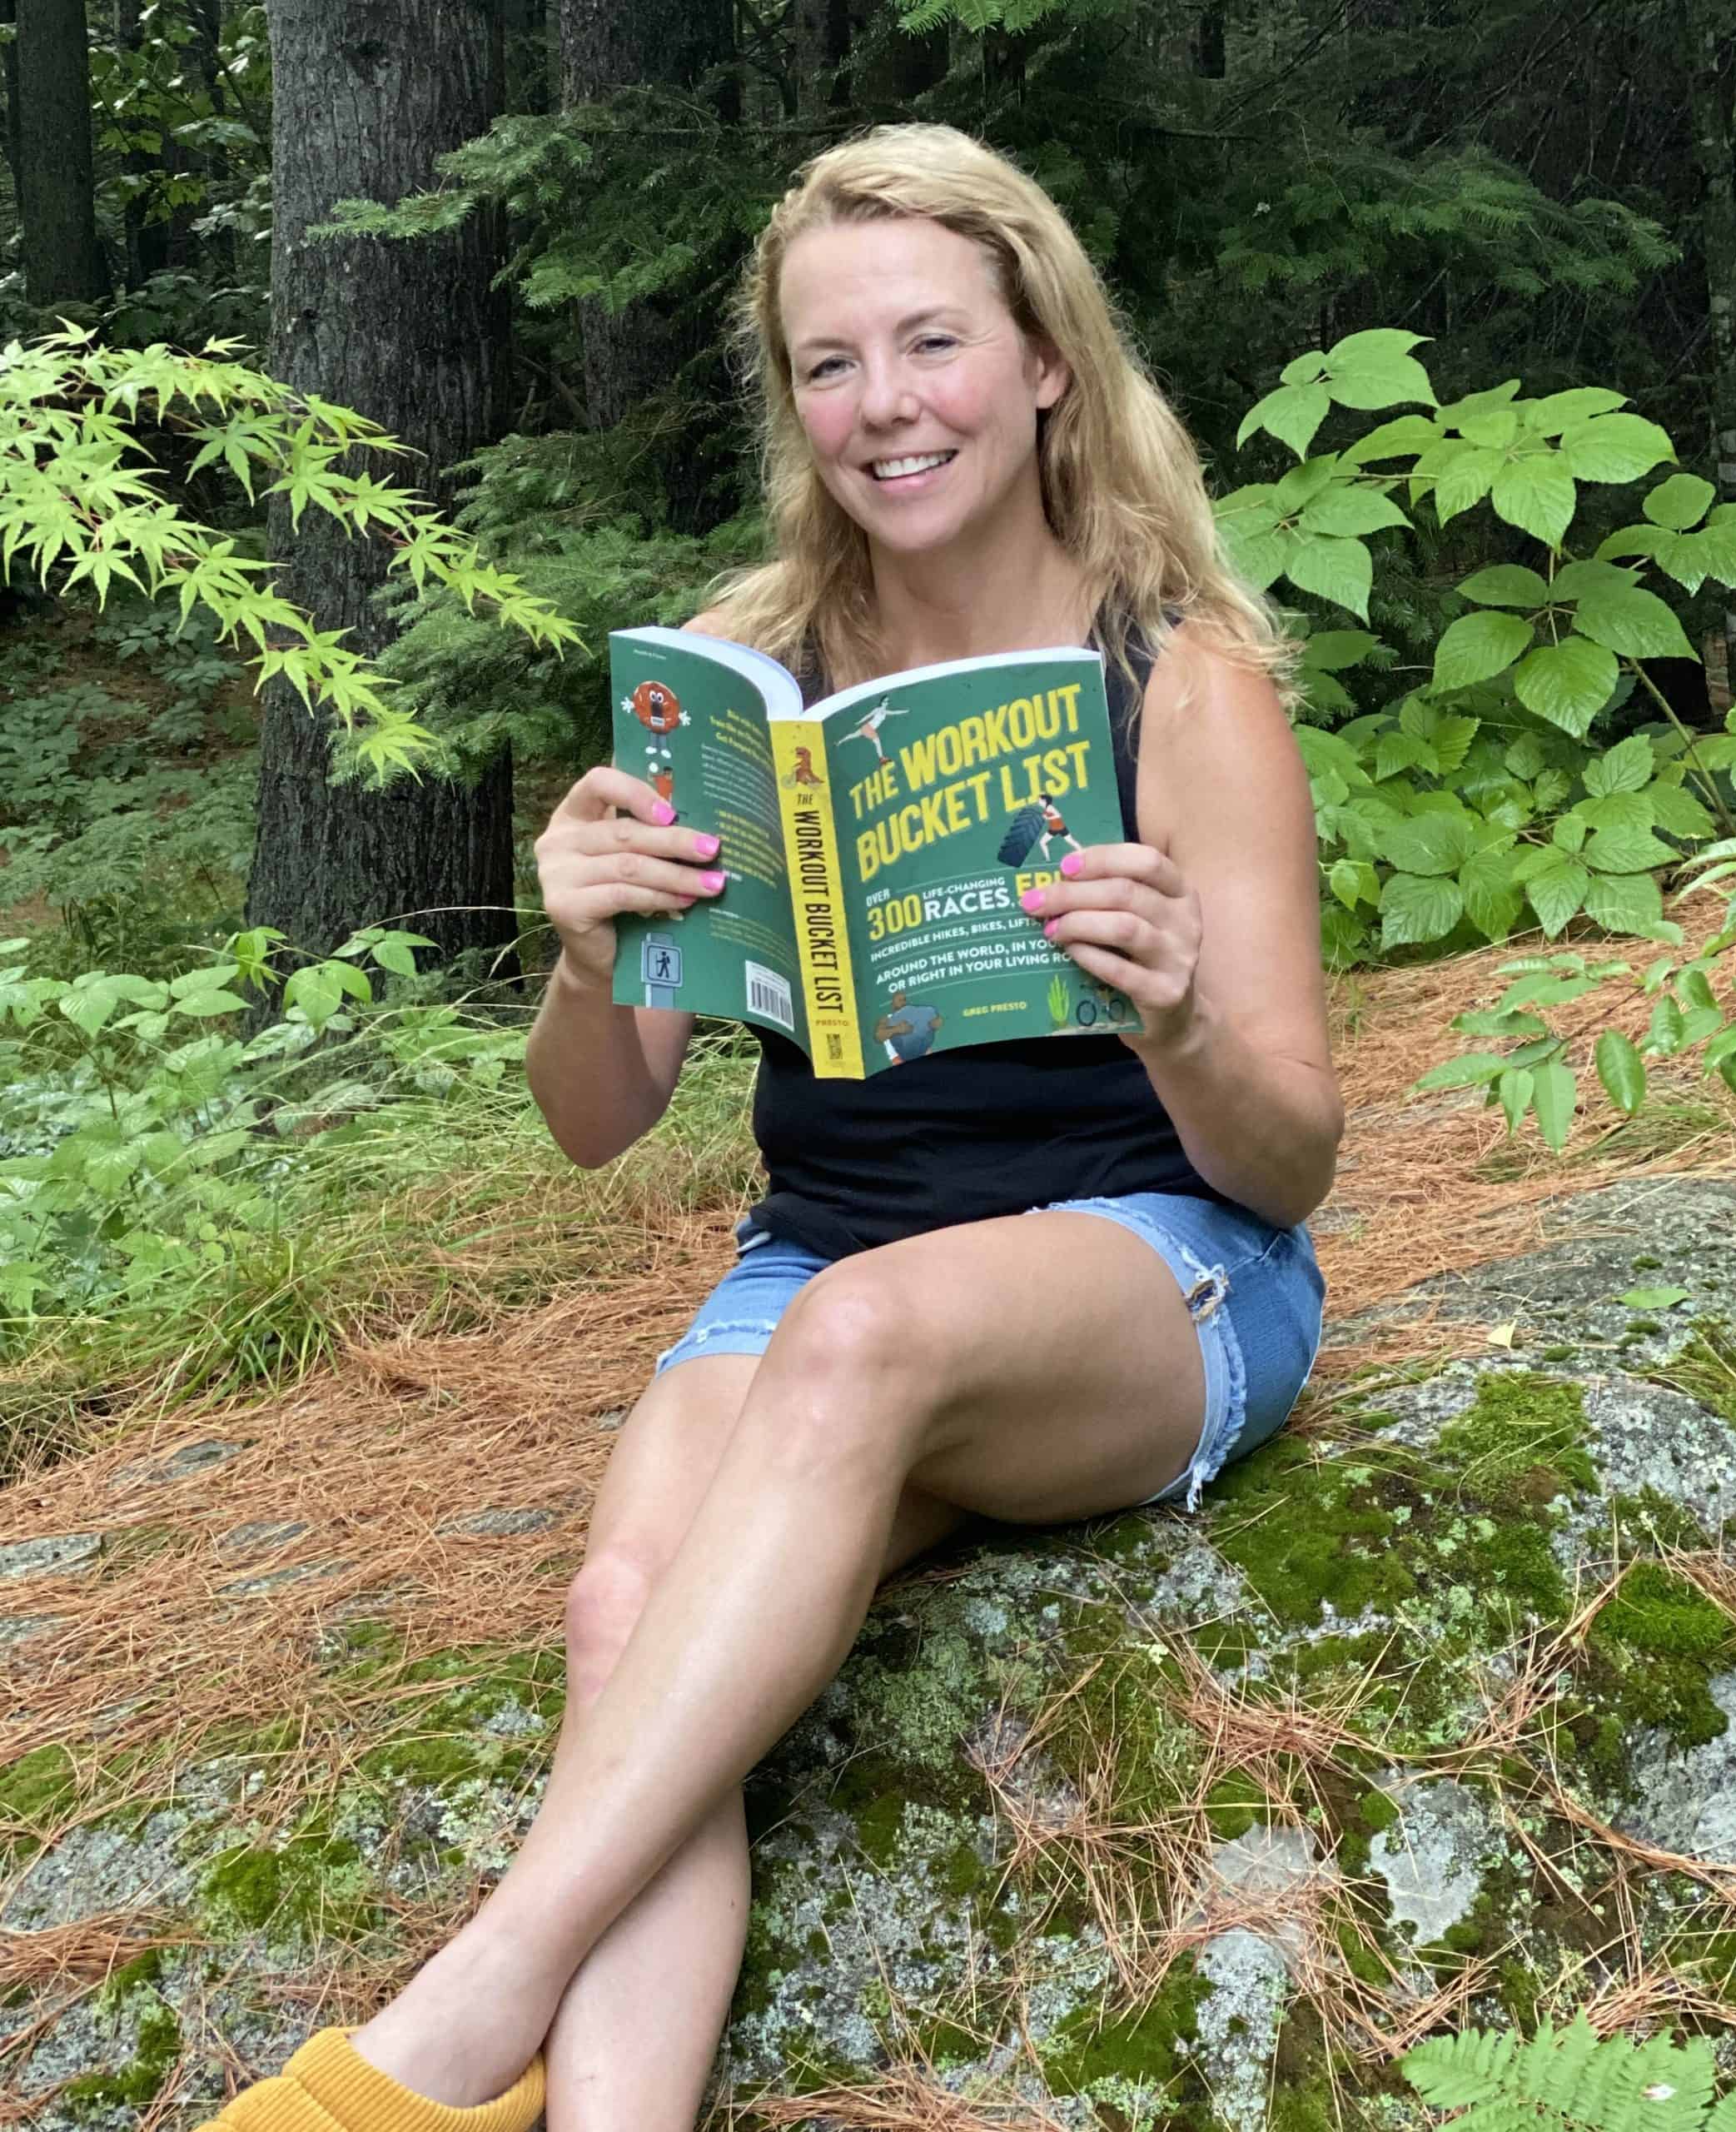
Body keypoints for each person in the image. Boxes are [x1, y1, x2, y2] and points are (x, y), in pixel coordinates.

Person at [211, 122, 1338, 2132]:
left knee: (858, 1334)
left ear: (1047, 357)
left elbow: (1290, 1159)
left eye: (932, 345)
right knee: (625, 1613)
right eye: (831, 364)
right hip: (824, 1264)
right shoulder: (745, 683)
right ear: (790, 395)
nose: (885, 408)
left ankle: (457, 2024)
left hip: (1159, 1262)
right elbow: (597, 1125)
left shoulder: (1181, 683)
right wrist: (578, 956)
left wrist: (1171, 1010)